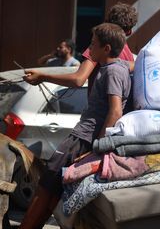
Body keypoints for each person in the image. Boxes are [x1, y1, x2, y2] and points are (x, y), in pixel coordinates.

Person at [18, 23, 131, 228]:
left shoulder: (112, 72)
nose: (88, 49)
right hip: (86, 135)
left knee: (49, 177)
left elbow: (115, 111)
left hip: (84, 136)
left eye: (93, 44)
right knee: (55, 185)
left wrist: (97, 147)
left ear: (106, 49)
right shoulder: (121, 66)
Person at [24, 2, 138, 97]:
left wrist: (42, 77)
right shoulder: (129, 55)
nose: (92, 46)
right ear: (129, 32)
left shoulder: (99, 47)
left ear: (106, 22)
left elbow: (78, 79)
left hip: (97, 119)